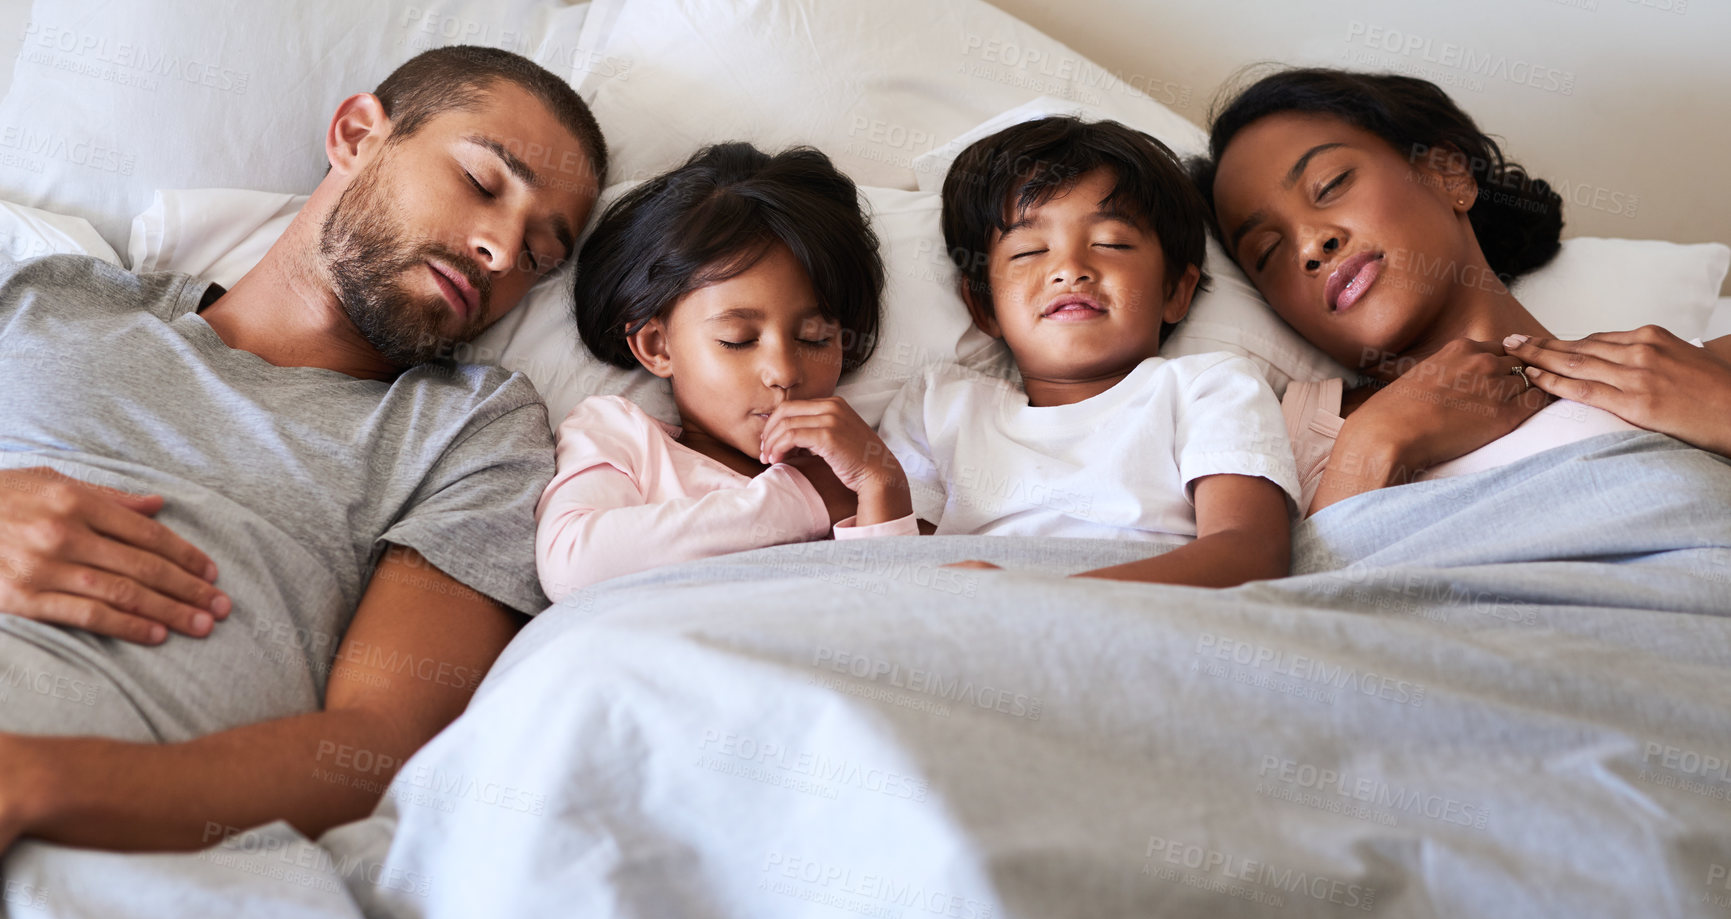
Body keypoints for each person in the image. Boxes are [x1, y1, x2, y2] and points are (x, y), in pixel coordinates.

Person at [0, 46, 605, 852]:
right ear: (357, 135)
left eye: (538, 256)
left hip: (117, 857)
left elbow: (374, 750)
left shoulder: (470, 433)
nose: (500, 251)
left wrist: (36, 780)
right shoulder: (55, 300)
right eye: (482, 184)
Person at [1191, 68, 1731, 515]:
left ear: (1449, 174)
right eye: (1267, 253)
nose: (1310, 245)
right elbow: (1271, 621)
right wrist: (1374, 444)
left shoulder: (1680, 366)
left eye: (1330, 186)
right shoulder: (1258, 435)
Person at [877, 116, 1300, 587]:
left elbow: (1251, 554)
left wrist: (1051, 596)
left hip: (1149, 621)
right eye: (1028, 251)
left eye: (1111, 243)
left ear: (1176, 291)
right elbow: (895, 572)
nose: (1070, 269)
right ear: (983, 305)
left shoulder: (1207, 387)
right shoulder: (939, 405)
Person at [537, 143, 915, 596]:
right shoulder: (623, 437)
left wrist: (881, 484)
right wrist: (803, 500)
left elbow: (893, 620)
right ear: (658, 346)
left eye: (815, 338)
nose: (783, 372)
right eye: (738, 339)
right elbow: (571, 567)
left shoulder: (857, 471)